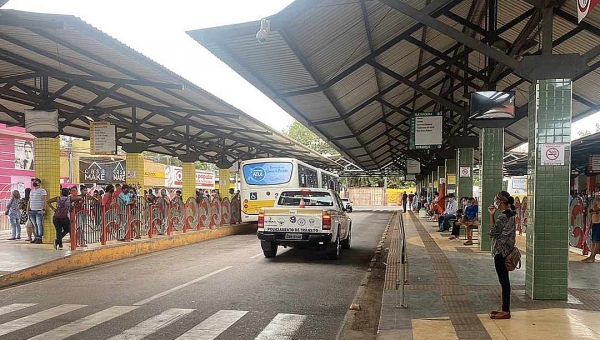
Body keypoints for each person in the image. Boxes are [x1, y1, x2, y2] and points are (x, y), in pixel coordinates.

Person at [488, 191, 516, 320]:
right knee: (505, 281)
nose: (495, 203)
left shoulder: (502, 217)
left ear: (500, 201)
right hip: (508, 251)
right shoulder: (511, 214)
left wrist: (491, 216)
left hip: (501, 253)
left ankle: (506, 310)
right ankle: (504, 308)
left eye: (496, 200)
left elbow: (493, 232)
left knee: (504, 281)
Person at [583, 190, 600, 263]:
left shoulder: (598, 201)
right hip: (595, 222)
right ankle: (591, 256)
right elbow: (592, 210)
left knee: (597, 241)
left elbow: (596, 209)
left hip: (599, 222)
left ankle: (592, 256)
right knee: (594, 240)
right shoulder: (596, 201)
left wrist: (594, 210)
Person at [28, 178, 47, 244]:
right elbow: (30, 200)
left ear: (39, 183)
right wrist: (28, 209)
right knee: (35, 225)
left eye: (35, 181)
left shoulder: (42, 190)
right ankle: (36, 237)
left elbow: (44, 200)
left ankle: (40, 238)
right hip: (32, 210)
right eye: (33, 181)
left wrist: (44, 209)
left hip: (39, 210)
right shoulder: (32, 191)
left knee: (39, 224)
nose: (34, 182)